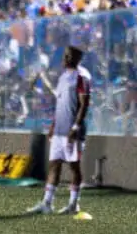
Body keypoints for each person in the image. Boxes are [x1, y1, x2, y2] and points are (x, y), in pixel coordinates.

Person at [27, 45, 92, 216]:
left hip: (72, 131)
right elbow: (60, 103)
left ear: (78, 58)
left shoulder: (82, 76)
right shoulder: (63, 77)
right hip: (59, 130)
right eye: (65, 55)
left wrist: (75, 127)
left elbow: (84, 104)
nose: (65, 58)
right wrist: (53, 127)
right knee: (54, 165)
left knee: (74, 167)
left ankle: (73, 205)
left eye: (69, 56)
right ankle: (47, 203)